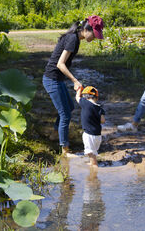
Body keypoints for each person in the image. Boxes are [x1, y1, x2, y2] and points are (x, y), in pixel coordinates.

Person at [42, 16, 104, 155]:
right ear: (87, 29)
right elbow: (60, 64)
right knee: (65, 114)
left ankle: (55, 135)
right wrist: (75, 81)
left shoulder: (75, 38)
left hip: (57, 79)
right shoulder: (73, 39)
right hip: (51, 79)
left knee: (69, 108)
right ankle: (65, 149)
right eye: (94, 34)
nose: (94, 38)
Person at [76, 86, 106, 167]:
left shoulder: (85, 103)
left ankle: (94, 169)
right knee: (93, 151)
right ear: (96, 97)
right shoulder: (99, 108)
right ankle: (92, 162)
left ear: (85, 96)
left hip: (89, 135)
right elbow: (103, 121)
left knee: (90, 153)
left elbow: (77, 97)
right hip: (98, 135)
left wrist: (79, 89)